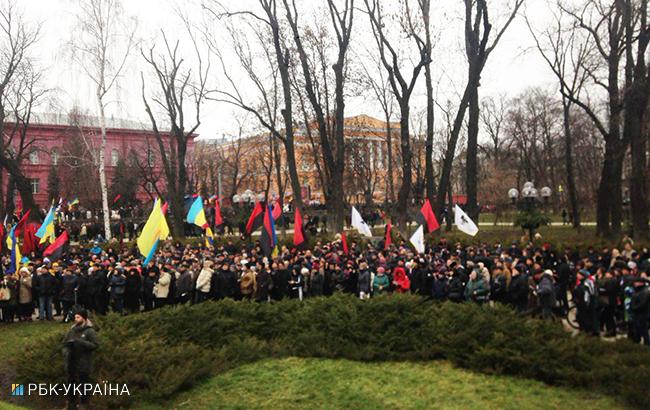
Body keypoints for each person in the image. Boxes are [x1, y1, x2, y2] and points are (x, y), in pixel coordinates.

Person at [62, 308, 99, 410]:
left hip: (84, 362)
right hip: (71, 362)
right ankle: (70, 403)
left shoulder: (89, 331)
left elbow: (95, 345)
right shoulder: (72, 330)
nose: (76, 319)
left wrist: (81, 342)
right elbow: (64, 344)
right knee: (71, 385)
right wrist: (66, 351)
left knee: (84, 385)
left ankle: (84, 403)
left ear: (83, 318)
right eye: (75, 317)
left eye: (78, 317)